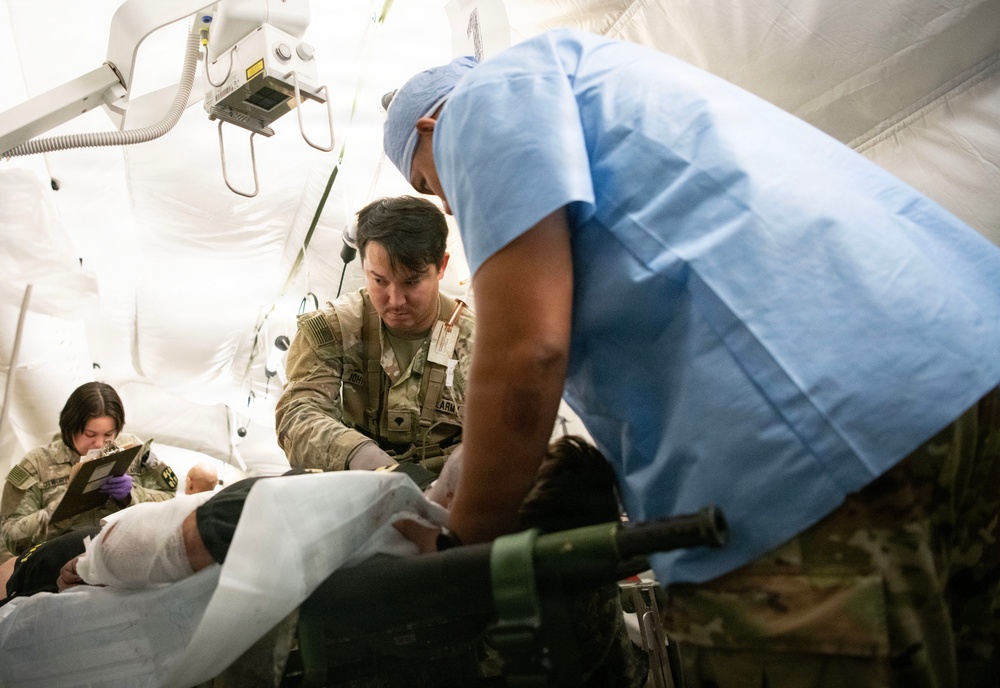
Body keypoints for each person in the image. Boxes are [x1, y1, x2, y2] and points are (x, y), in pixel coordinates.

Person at [381, 29, 1000, 687]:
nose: (447, 204)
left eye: (428, 182)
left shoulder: (481, 103)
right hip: (964, 371)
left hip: (804, 454)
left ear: (430, 127)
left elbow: (528, 352)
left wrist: (462, 550)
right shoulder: (608, 75)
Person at [275, 195, 475, 476]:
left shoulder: (480, 342)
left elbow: (506, 432)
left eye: (411, 282)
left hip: (450, 486)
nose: (396, 300)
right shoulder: (334, 328)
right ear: (364, 267)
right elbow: (297, 413)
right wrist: (355, 452)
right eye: (380, 280)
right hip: (358, 480)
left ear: (441, 266)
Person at [0, 381, 178, 557]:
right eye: (90, 434)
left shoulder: (133, 449)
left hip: (128, 555)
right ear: (70, 427)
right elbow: (11, 538)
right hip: (63, 562)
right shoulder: (37, 464)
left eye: (108, 434)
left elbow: (170, 501)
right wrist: (63, 509)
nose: (99, 443)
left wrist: (131, 495)